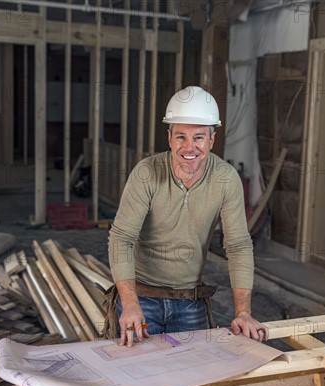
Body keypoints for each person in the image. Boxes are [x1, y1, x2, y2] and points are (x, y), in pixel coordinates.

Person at [107, 86, 268, 347]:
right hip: (141, 299)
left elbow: (238, 246)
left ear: (212, 140)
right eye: (181, 137)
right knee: (137, 378)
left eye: (199, 138)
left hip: (189, 302)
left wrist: (243, 312)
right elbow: (121, 238)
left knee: (195, 380)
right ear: (169, 137)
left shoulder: (225, 179)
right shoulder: (146, 173)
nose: (189, 147)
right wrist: (130, 304)